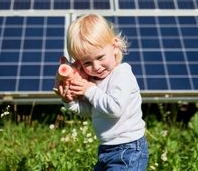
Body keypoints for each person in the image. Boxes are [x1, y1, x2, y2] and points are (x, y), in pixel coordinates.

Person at [54, 13, 149, 170]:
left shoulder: (122, 74)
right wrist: (70, 101)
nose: (96, 67)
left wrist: (90, 90)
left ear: (114, 46)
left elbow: (115, 108)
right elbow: (91, 111)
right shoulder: (95, 81)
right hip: (107, 149)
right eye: (87, 63)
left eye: (100, 57)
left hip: (129, 149)